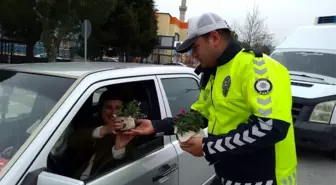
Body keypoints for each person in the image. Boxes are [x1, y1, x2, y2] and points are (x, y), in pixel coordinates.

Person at [123, 12, 297, 185]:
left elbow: (271, 126)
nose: (193, 55)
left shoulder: (258, 67)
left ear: (214, 38)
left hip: (263, 179)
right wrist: (156, 125)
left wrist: (208, 146)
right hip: (227, 175)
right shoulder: (214, 73)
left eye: (195, 47)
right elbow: (199, 116)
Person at [67, 89, 135, 180]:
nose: (113, 113)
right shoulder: (92, 123)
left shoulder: (129, 133)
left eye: (118, 108)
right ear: (101, 109)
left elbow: (125, 170)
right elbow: (71, 141)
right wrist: (104, 130)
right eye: (108, 107)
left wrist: (118, 149)